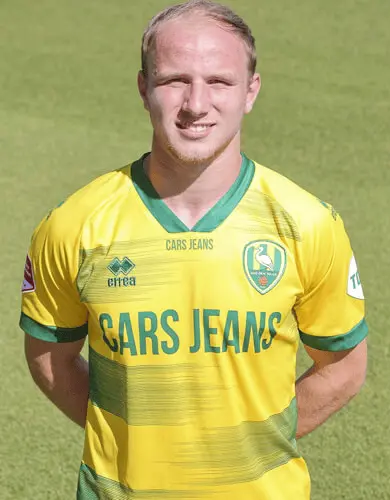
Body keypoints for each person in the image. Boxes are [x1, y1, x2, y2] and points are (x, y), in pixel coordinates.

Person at [20, 1, 368, 498]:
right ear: (144, 88)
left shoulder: (307, 224)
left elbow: (344, 367)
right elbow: (49, 359)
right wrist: (136, 443)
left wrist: (251, 445)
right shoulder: (73, 226)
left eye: (219, 81)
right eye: (174, 80)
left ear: (251, 91)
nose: (196, 104)